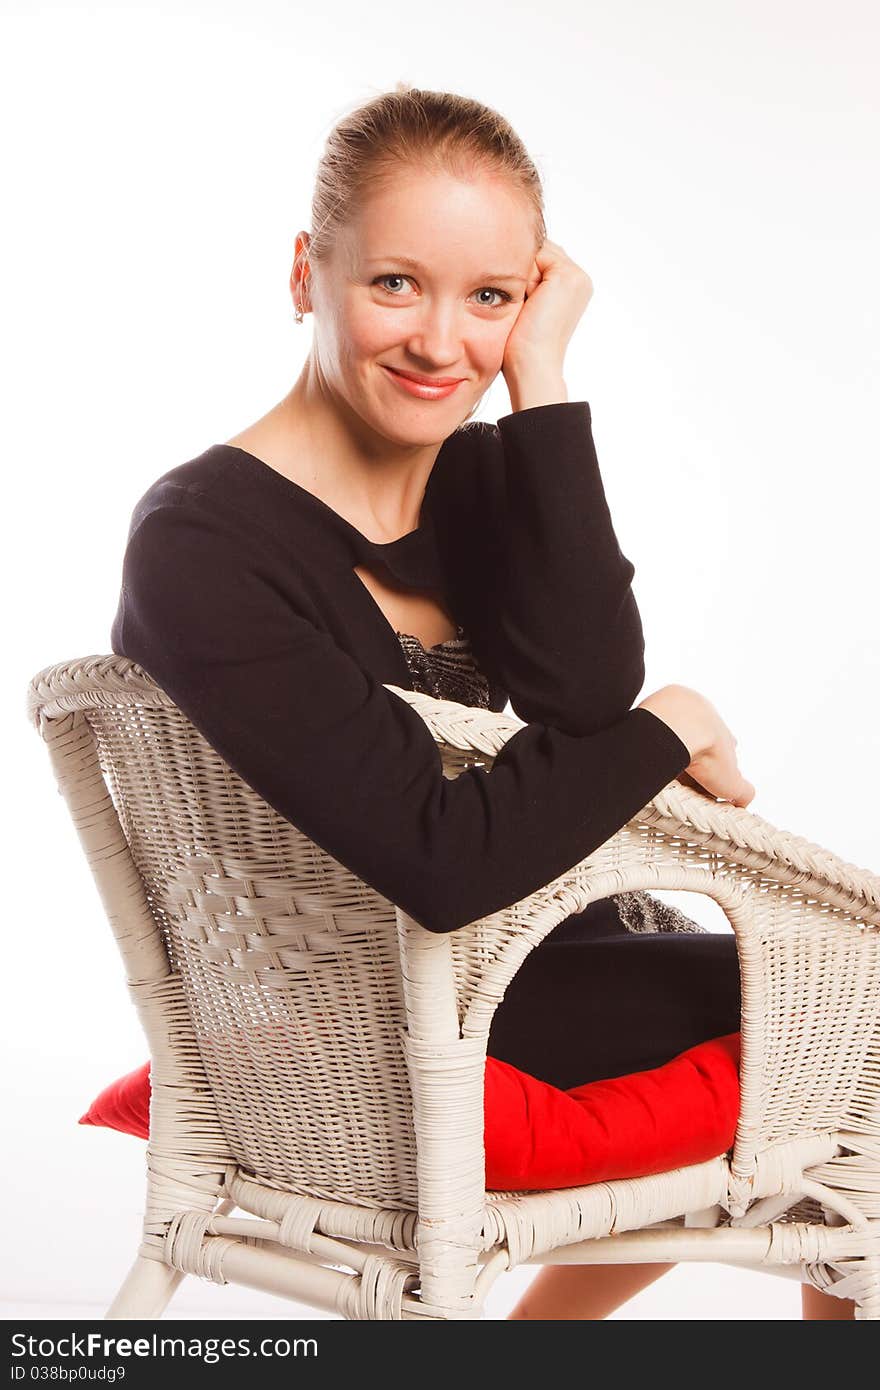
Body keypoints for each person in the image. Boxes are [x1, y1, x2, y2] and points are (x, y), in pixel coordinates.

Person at [110, 84, 853, 1320]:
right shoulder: (199, 544)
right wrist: (670, 725)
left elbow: (579, 689)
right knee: (856, 1010)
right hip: (374, 1017)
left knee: (839, 1003)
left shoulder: (484, 478)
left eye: (491, 299)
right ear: (308, 272)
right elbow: (442, 862)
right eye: (394, 283)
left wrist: (543, 379)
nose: (442, 344)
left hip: (529, 965)